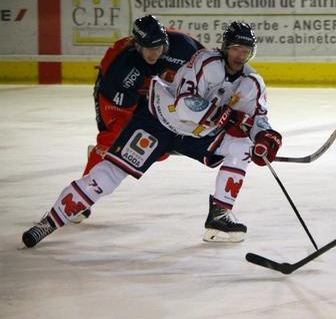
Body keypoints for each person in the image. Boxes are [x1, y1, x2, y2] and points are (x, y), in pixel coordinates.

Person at [22, 21, 282, 247]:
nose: (239, 55)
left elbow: (258, 117)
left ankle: (219, 216)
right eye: (236, 48)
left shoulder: (252, 83)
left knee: (241, 147)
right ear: (225, 47)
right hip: (158, 121)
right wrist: (227, 116)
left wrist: (264, 136)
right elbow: (185, 105)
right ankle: (51, 220)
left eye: (245, 50)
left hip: (194, 135)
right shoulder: (206, 63)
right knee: (111, 174)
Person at [73, 14, 205, 223]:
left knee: (158, 151)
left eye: (158, 47)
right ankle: (82, 195)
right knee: (117, 138)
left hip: (156, 90)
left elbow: (209, 71)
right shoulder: (122, 68)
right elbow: (125, 115)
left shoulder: (184, 46)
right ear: (137, 46)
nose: (155, 53)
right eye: (149, 48)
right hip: (115, 97)